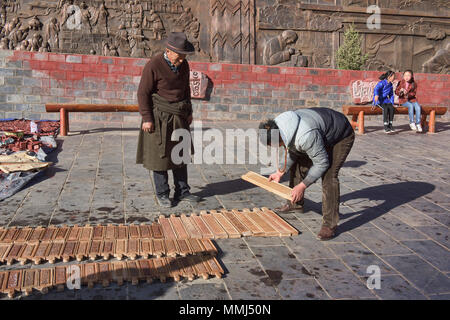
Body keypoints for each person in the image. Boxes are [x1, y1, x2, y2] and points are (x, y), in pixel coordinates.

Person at [259, 107, 355, 241]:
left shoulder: (305, 136)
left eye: (273, 145)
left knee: (329, 176)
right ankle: (295, 203)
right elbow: (291, 150)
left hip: (340, 135)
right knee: (298, 163)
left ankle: (330, 224)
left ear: (278, 137)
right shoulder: (279, 127)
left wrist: (303, 185)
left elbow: (322, 163)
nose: (274, 148)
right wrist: (280, 172)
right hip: (318, 132)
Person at [136, 32, 201, 208]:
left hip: (179, 115)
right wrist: (146, 118)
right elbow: (143, 93)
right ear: (168, 51)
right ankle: (162, 194)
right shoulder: (154, 65)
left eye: (183, 57)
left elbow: (186, 90)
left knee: (180, 154)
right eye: (178, 57)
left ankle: (183, 191)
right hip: (159, 116)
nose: (181, 61)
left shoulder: (184, 65)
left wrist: (189, 111)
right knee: (160, 157)